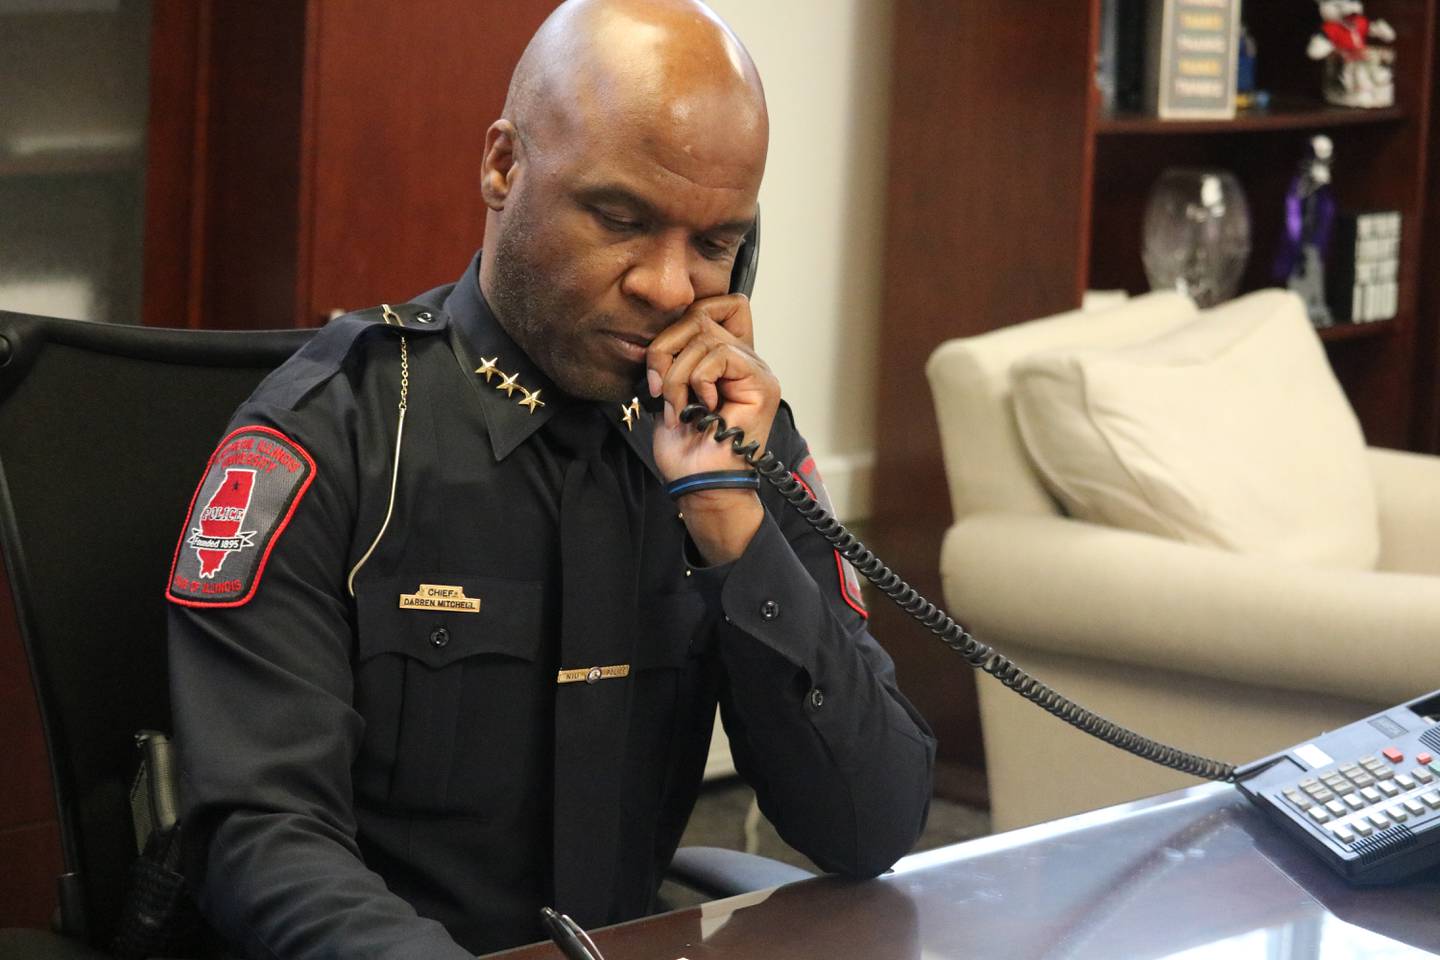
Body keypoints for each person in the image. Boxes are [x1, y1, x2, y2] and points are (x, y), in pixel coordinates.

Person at [165, 1, 936, 956]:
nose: (666, 287)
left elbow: (872, 826)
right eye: (621, 219)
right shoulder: (328, 437)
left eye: (713, 244)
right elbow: (263, 842)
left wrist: (736, 530)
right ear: (503, 166)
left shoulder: (726, 440)